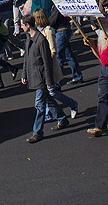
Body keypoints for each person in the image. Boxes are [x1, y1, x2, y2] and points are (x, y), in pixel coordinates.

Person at [21, 15, 67, 143]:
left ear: (28, 25)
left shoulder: (41, 41)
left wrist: (49, 82)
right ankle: (62, 118)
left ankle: (37, 132)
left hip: (41, 77)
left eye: (22, 25)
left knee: (39, 105)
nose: (21, 27)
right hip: (35, 76)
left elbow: (47, 63)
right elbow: (26, 59)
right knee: (49, 100)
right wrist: (24, 74)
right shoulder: (29, 39)